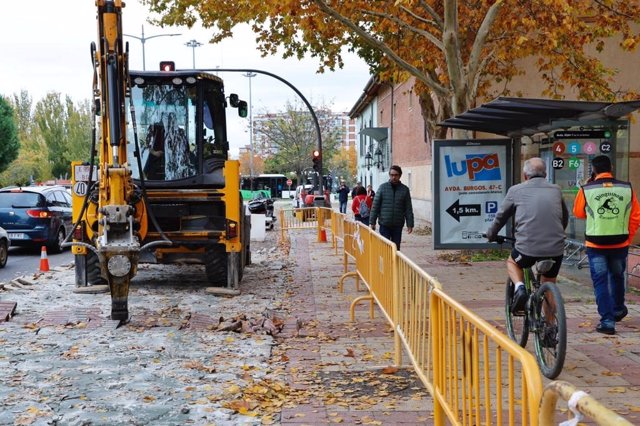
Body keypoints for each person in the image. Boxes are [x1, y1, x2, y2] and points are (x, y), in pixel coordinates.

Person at [486, 157, 569, 321]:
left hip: (527, 248)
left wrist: (491, 234)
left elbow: (501, 217)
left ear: (525, 175)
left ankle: (520, 287)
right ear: (545, 174)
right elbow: (564, 218)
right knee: (549, 282)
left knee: (512, 262)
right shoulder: (556, 190)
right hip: (556, 248)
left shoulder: (516, 190)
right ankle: (550, 329)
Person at [573, 155, 640, 335]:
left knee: (600, 281)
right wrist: (628, 238)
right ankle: (618, 308)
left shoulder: (587, 189)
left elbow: (578, 212)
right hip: (620, 243)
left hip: (596, 244)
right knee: (617, 276)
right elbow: (635, 217)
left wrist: (586, 188)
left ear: (593, 171)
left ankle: (608, 321)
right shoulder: (626, 188)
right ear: (611, 167)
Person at [369, 165, 414, 250]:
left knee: (396, 248)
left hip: (397, 224)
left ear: (400, 175)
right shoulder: (382, 188)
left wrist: (410, 224)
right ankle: (387, 263)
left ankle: (394, 263)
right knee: (385, 248)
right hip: (384, 223)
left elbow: (408, 208)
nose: (394, 177)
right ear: (389, 175)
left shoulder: (405, 190)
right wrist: (372, 222)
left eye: (396, 175)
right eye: (392, 175)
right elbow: (375, 206)